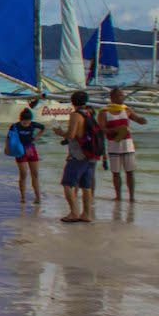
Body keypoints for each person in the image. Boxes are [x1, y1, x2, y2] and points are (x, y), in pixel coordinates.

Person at [60, 91, 102, 222]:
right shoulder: (90, 112)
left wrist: (60, 132)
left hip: (79, 155)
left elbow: (71, 135)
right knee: (86, 186)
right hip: (92, 154)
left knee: (67, 184)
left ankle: (74, 213)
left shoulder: (75, 115)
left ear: (73, 102)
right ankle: (87, 214)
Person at [100, 87, 147, 201]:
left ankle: (132, 197)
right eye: (120, 95)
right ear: (112, 97)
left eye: (123, 95)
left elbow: (137, 119)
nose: (123, 97)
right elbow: (102, 129)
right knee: (116, 173)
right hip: (113, 144)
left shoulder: (126, 109)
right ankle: (118, 196)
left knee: (130, 172)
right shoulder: (104, 112)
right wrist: (116, 130)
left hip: (127, 144)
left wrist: (142, 120)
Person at [7, 108, 46, 203]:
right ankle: (23, 197)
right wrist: (7, 148)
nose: (26, 124)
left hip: (30, 148)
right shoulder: (15, 126)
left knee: (35, 174)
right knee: (23, 173)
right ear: (21, 120)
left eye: (28, 122)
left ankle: (38, 197)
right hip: (20, 150)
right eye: (24, 122)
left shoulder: (33, 124)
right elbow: (8, 137)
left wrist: (37, 137)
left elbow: (43, 128)